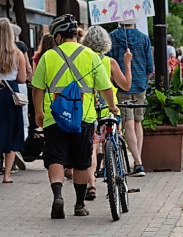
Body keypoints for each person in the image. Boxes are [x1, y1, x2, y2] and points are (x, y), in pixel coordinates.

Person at [32, 14, 119, 219]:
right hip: (84, 118)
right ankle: (79, 205)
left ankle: (58, 196)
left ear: (60, 36)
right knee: (81, 162)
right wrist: (112, 107)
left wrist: (39, 113)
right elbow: (106, 87)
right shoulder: (90, 55)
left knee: (55, 157)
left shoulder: (48, 56)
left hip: (55, 117)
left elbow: (37, 89)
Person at [81, 25, 132, 201]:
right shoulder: (110, 62)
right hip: (110, 109)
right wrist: (127, 63)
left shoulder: (83, 60)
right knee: (113, 141)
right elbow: (126, 85)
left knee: (92, 148)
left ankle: (91, 184)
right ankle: (117, 170)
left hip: (90, 110)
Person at [109, 18, 154, 177]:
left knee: (128, 123)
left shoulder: (113, 37)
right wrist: (144, 78)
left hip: (122, 84)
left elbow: (109, 62)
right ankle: (137, 161)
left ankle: (139, 162)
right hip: (141, 84)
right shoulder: (144, 38)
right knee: (137, 122)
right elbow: (150, 66)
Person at [0, 18, 27, 183]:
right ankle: (7, 175)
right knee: (11, 133)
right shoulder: (18, 54)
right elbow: (22, 79)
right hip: (11, 97)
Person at [11, 24, 33, 144]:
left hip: (4, 87)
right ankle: (22, 137)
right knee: (23, 112)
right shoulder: (20, 47)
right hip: (19, 86)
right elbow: (28, 67)